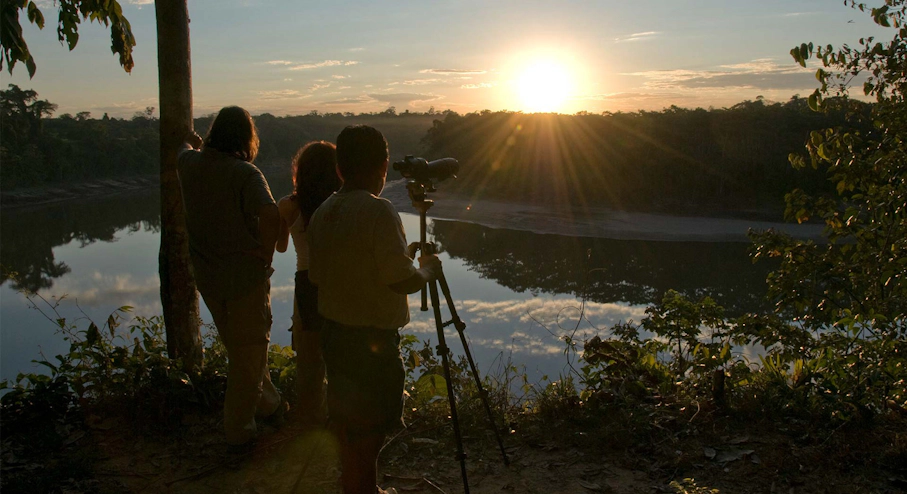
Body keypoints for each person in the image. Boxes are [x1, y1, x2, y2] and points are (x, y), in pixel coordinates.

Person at [307, 125, 441, 494]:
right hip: (372, 344)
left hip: (335, 335)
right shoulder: (379, 210)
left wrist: (405, 259)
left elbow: (323, 274)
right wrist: (427, 270)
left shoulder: (324, 211)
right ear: (383, 165)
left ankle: (357, 485)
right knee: (370, 428)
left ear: (339, 169)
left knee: (349, 422)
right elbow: (401, 281)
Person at [177, 106, 284, 447]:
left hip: (208, 277)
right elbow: (271, 214)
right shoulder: (245, 174)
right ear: (245, 139)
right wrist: (264, 255)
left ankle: (269, 405)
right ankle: (240, 432)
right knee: (249, 353)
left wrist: (190, 143)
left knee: (243, 349)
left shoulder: (189, 165)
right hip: (243, 279)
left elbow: (183, 151)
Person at [275, 141, 341, 425]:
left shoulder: (289, 206)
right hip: (340, 280)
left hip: (306, 281)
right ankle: (340, 418)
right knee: (340, 354)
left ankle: (311, 418)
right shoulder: (341, 204)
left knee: (309, 360)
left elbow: (279, 247)